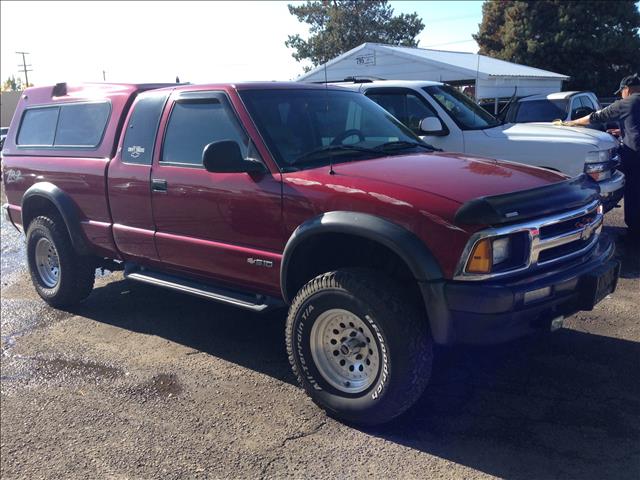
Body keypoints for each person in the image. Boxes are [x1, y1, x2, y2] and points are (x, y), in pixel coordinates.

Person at [568, 73, 640, 240]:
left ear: (626, 90)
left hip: (636, 156)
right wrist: (622, 132)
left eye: (620, 92)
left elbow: (596, 117)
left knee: (634, 191)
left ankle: (635, 232)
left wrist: (571, 123)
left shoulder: (627, 102)